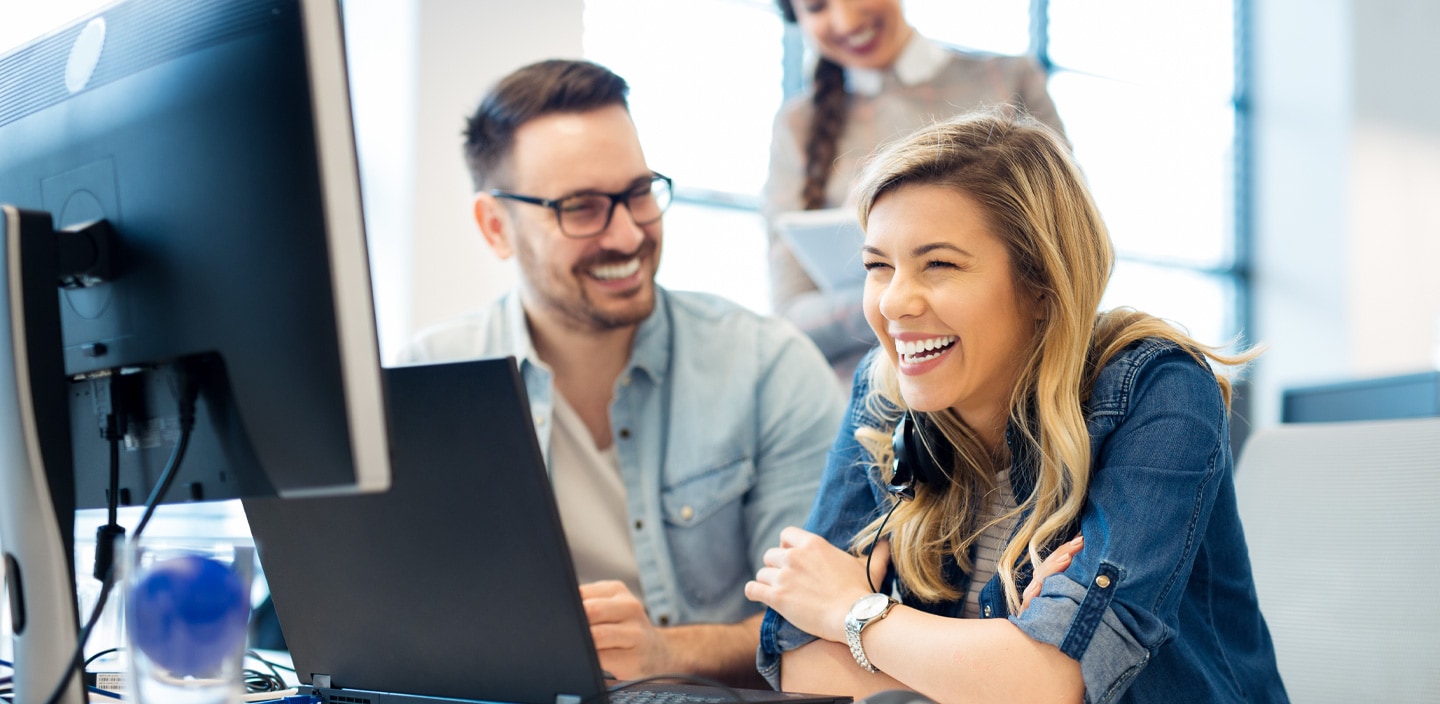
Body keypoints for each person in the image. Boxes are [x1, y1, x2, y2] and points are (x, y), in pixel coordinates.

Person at [745, 111, 1288, 703]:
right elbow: (797, 658)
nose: (894, 301)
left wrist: (853, 611)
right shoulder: (885, 398)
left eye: (939, 264)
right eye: (879, 266)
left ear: (1041, 285)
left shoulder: (1159, 389)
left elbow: (1050, 684)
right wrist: (1001, 657)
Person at [401, 59, 845, 688]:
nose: (628, 232)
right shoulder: (423, 383)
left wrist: (665, 652)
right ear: (496, 227)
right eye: (581, 207)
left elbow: (822, 625)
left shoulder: (768, 367)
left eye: (639, 192)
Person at [765, 0, 1066, 378]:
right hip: (863, 403)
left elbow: (1067, 253)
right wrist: (895, 293)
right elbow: (790, 317)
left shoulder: (1008, 80)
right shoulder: (798, 126)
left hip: (1011, 382)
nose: (844, 19)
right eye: (816, 6)